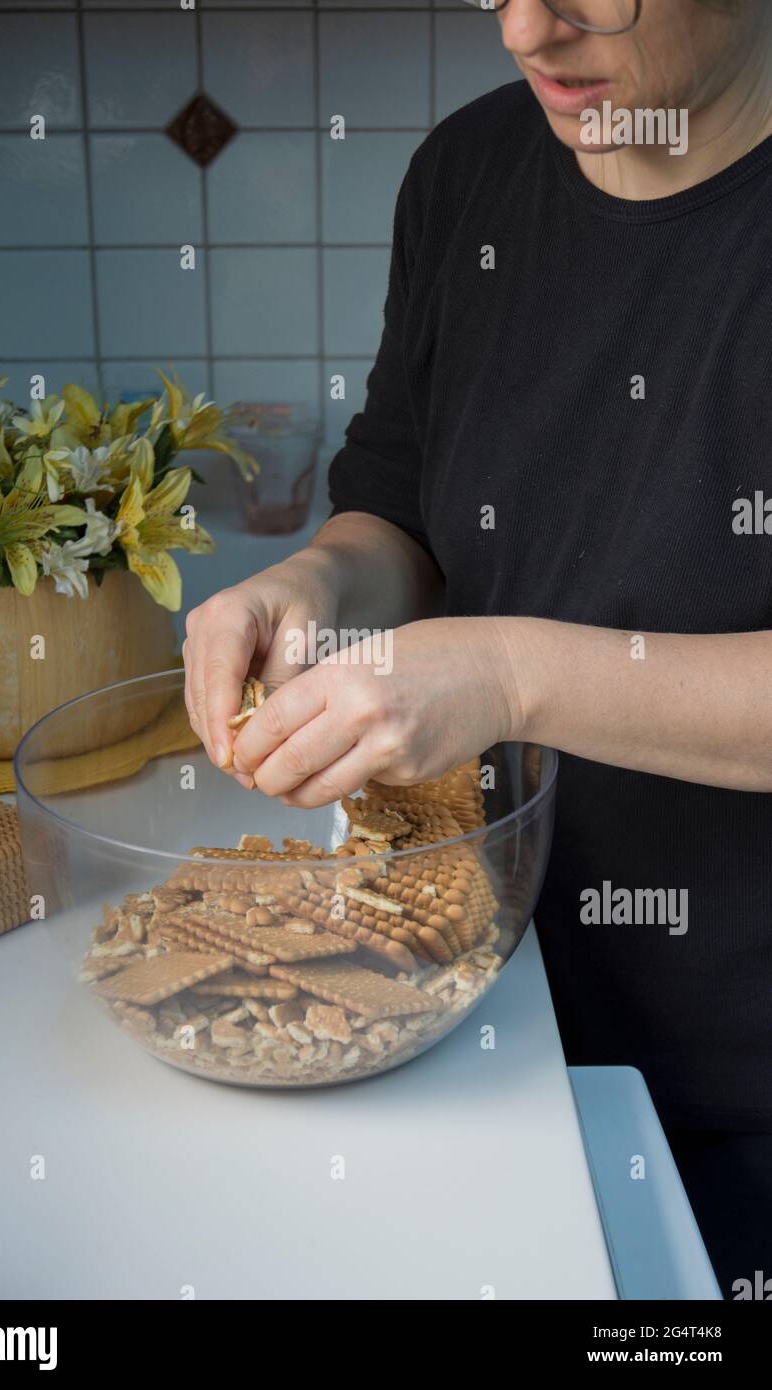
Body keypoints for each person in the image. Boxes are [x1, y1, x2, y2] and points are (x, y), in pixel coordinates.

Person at [183, 0, 772, 1297]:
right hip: (475, 1006)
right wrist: (311, 581)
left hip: (739, 1084)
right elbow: (397, 500)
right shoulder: (469, 172)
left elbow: (504, 655)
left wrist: (506, 673)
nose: (525, 28)